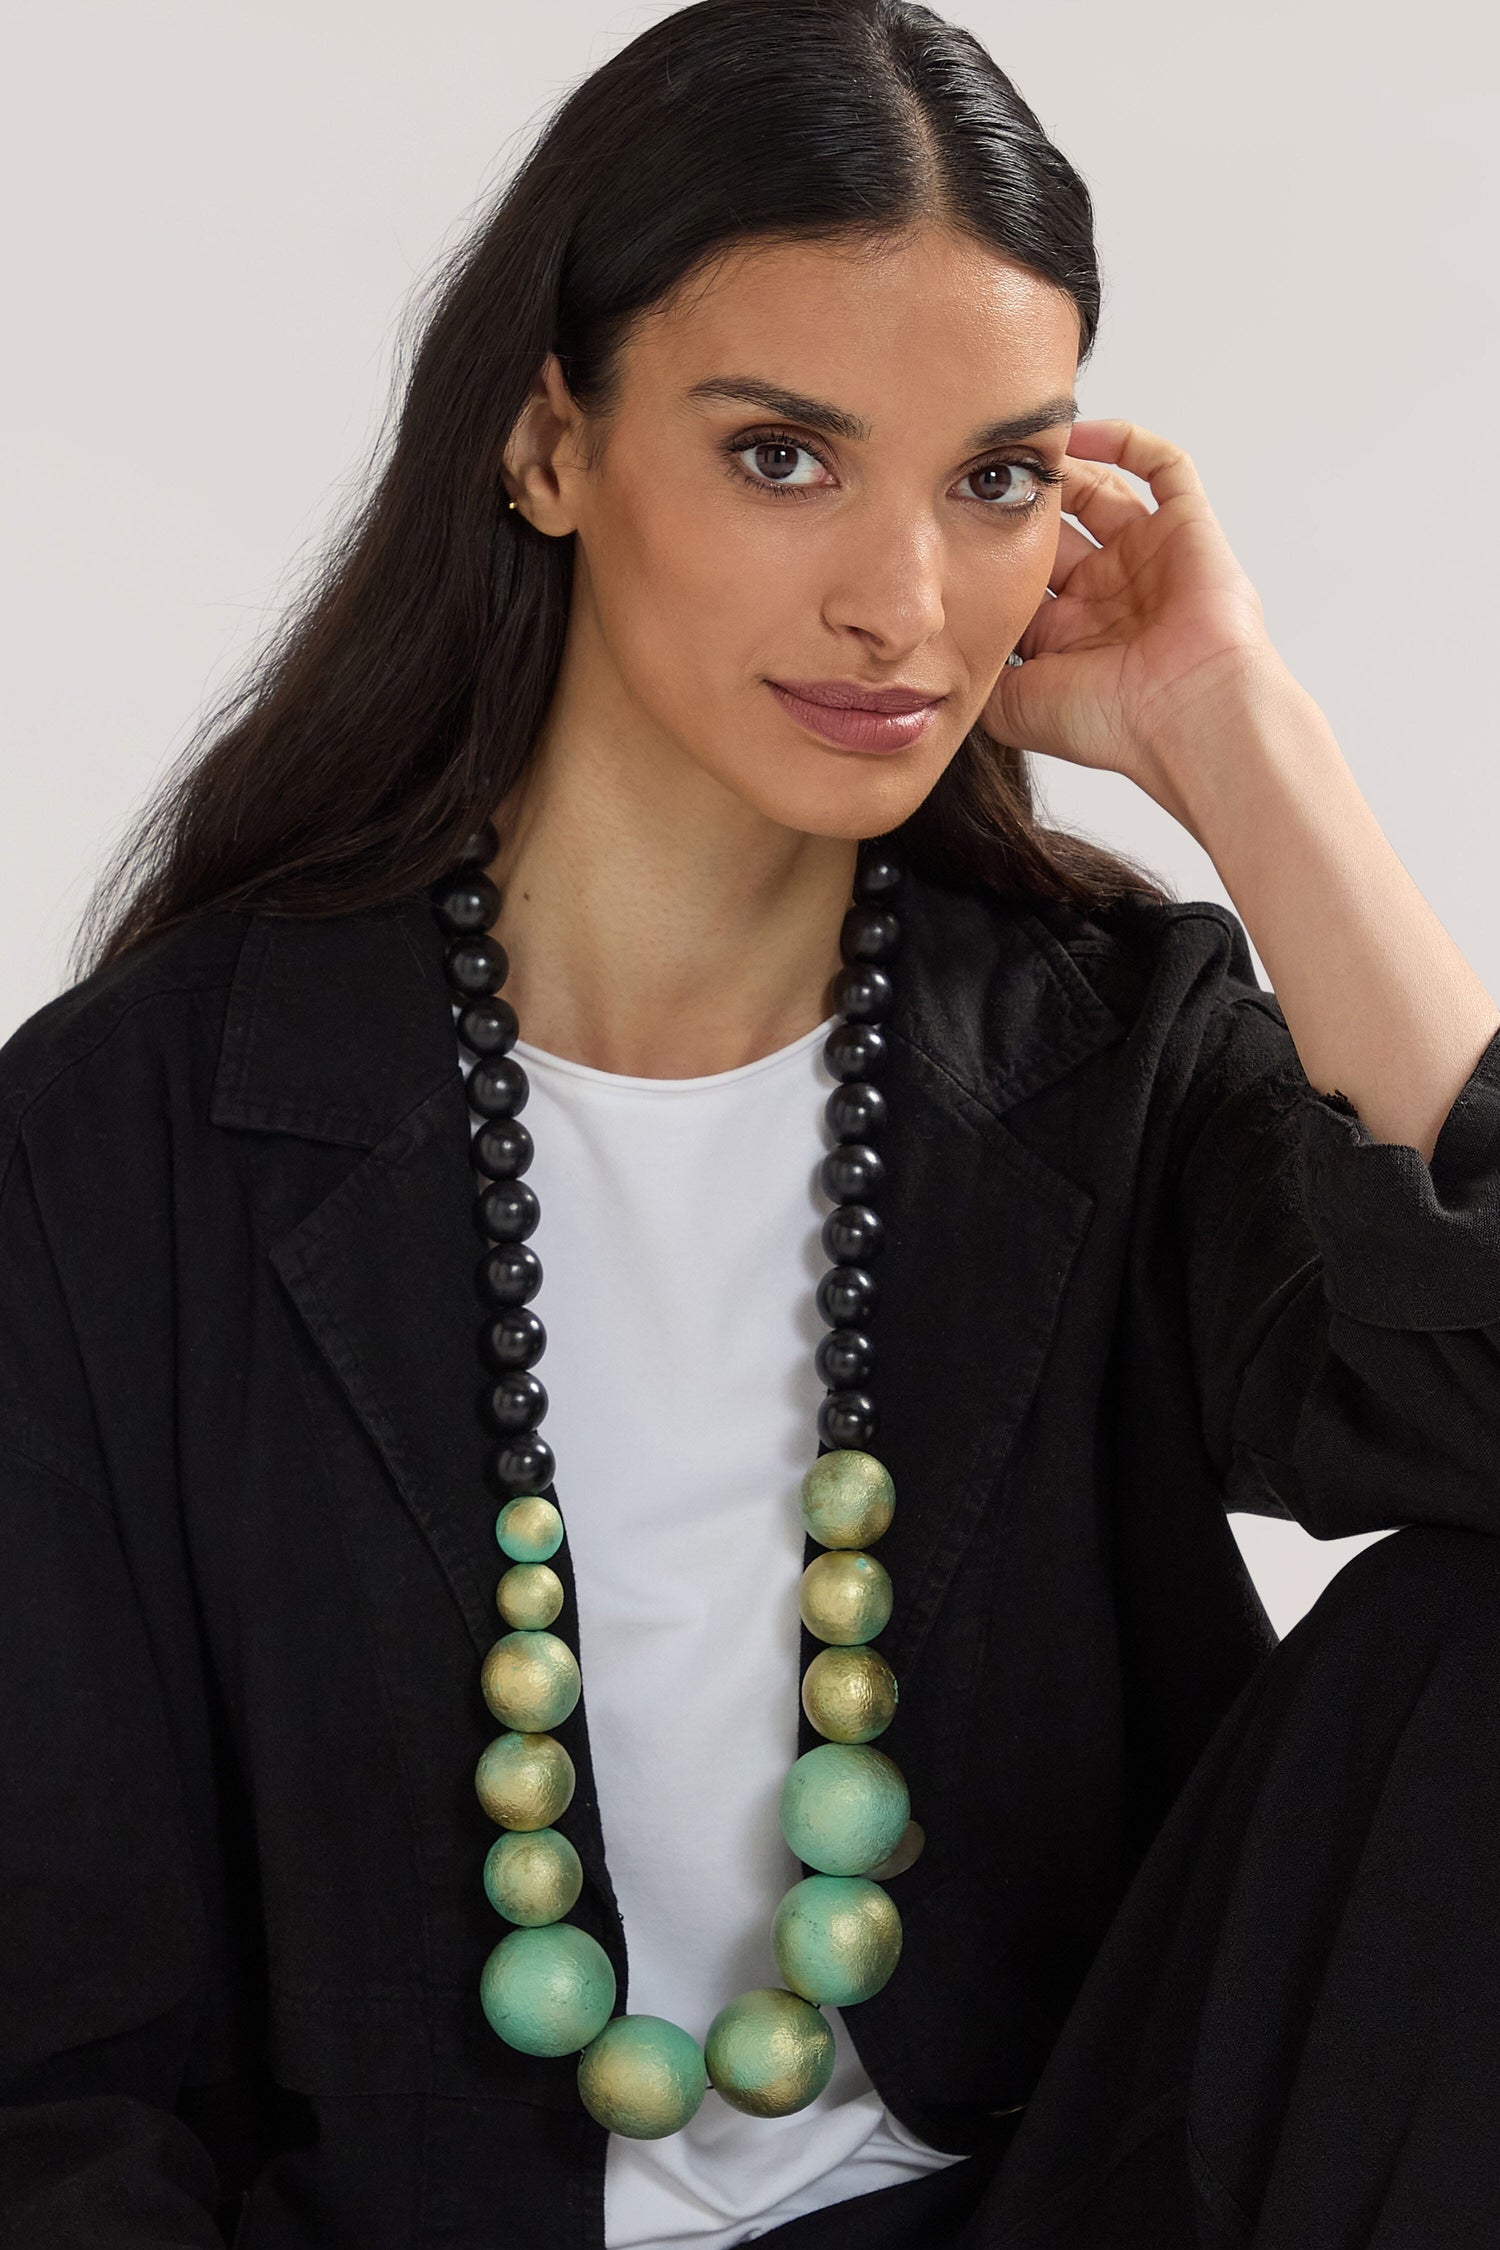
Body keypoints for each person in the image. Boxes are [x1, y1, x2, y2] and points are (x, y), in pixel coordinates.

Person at [3, 0, 1498, 2243]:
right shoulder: (130, 1136)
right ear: (546, 445)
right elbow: (56, 2075)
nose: (904, 598)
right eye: (785, 454)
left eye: (995, 477)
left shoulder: (1092, 1056)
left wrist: (1235, 738)